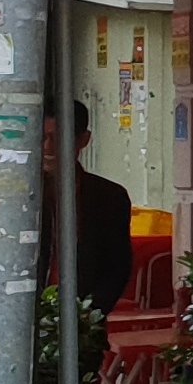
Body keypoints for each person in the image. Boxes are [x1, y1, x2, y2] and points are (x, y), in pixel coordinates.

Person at [71, 104, 137, 320]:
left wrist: (91, 312)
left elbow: (118, 266)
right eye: (42, 137)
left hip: (84, 317)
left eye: (58, 138)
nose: (48, 147)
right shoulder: (16, 198)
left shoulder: (109, 197)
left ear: (83, 140)